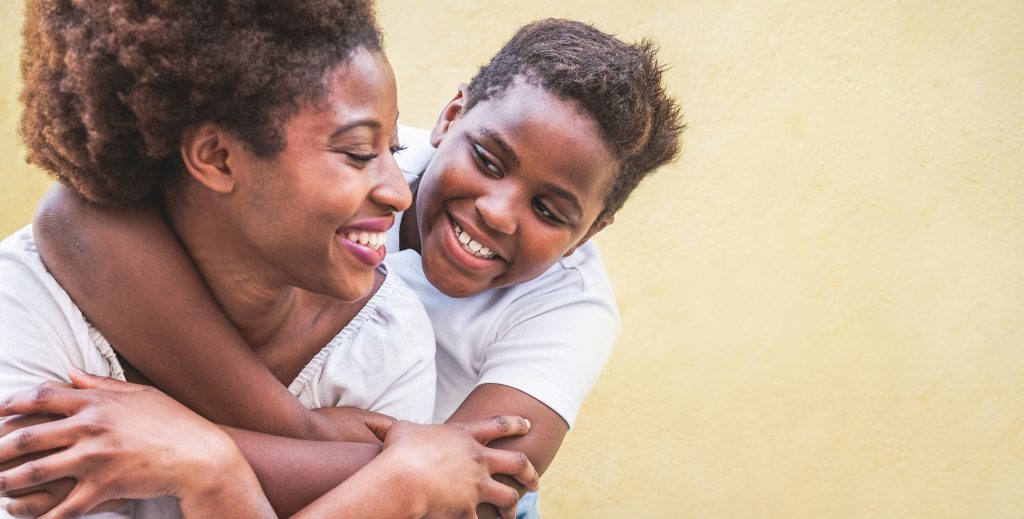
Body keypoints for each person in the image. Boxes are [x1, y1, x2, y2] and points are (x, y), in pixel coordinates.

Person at [9, 17, 683, 518]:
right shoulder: (344, 157)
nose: (499, 211)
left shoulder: (565, 312)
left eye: (550, 209)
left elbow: (473, 489)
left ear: (595, 228)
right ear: (449, 118)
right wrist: (314, 438)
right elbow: (74, 218)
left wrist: (203, 451)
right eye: (488, 161)